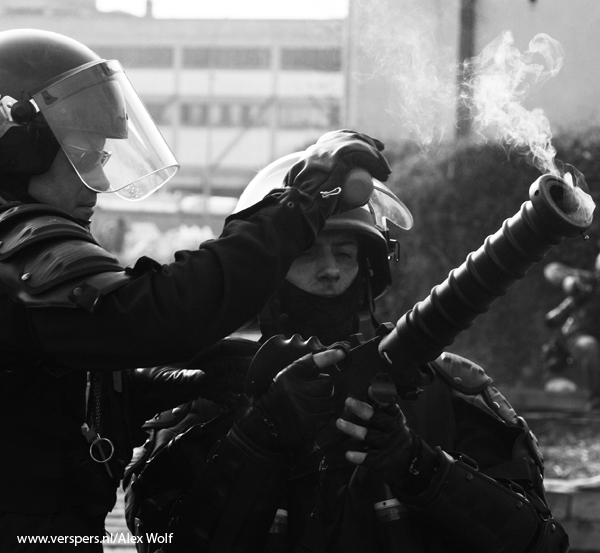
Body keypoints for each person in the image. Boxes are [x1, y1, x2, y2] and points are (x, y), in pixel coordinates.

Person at [0, 28, 393, 552]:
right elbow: (156, 316)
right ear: (20, 148)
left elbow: (56, 393)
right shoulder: (15, 248)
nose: (96, 175)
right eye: (81, 153)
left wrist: (190, 380)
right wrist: (305, 198)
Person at [125, 152, 568, 553]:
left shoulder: (445, 390)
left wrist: (416, 464)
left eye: (345, 252)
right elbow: (162, 541)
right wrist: (257, 437)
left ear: (370, 269)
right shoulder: (215, 392)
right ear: (266, 275)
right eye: (307, 255)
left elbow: (541, 542)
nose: (332, 270)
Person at [543, 256, 600, 409]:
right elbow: (552, 269)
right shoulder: (589, 281)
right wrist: (568, 281)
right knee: (590, 346)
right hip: (577, 336)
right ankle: (596, 401)